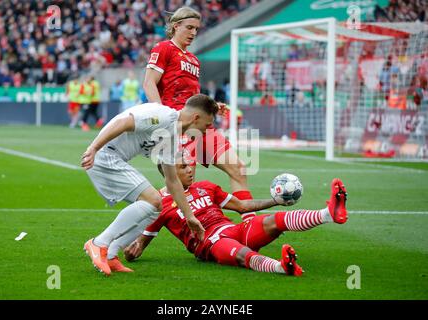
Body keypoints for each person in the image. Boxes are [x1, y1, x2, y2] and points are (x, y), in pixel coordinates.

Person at [124, 162, 348, 276]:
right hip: (211, 243)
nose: (190, 168)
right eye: (183, 166)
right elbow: (139, 246)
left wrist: (275, 201)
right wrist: (131, 250)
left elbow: (242, 206)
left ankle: (328, 214)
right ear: (169, 172)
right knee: (242, 254)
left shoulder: (206, 187)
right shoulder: (159, 203)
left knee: (275, 220)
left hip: (234, 229)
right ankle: (281, 268)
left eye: (189, 163)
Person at [81, 94, 219, 276]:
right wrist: (94, 148)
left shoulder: (173, 137)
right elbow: (124, 122)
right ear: (196, 118)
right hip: (105, 156)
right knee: (153, 199)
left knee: (156, 206)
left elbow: (172, 180)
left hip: (112, 158)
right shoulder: (163, 117)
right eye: (207, 125)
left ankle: (112, 254)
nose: (207, 130)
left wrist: (190, 216)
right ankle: (99, 244)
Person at [143, 6, 257, 222]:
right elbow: (149, 83)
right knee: (178, 183)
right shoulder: (163, 48)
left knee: (239, 168)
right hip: (179, 125)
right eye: (189, 27)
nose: (194, 33)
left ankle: (250, 225)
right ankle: (143, 231)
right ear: (176, 26)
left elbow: (191, 96)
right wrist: (162, 117)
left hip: (202, 125)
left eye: (196, 29)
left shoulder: (194, 60)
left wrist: (212, 106)